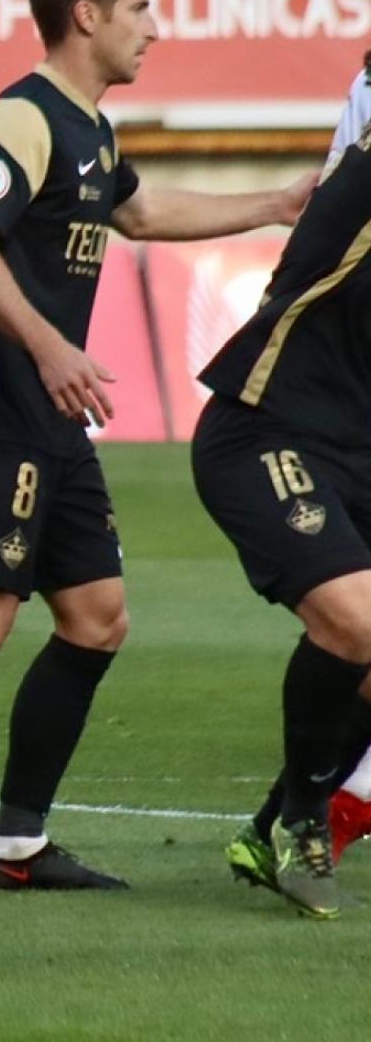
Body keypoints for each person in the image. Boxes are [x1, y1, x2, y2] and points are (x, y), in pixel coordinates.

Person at [0, 0, 314, 895]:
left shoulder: (92, 127)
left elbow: (137, 213)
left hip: (52, 420)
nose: (155, 28)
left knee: (97, 618)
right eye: (141, 8)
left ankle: (16, 848)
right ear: (86, 14)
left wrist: (277, 201)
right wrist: (52, 345)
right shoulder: (24, 116)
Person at [220, 52, 371, 911]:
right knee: (355, 620)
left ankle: (273, 821)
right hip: (267, 421)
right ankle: (305, 816)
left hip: (354, 439)